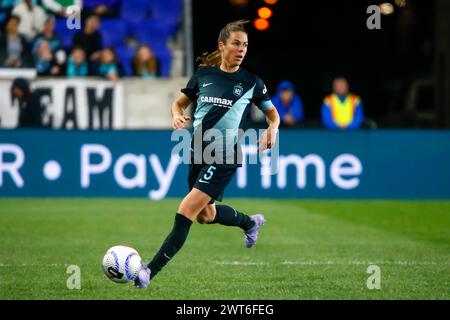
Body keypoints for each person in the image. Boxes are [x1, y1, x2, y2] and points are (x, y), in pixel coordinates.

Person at [133, 20, 280, 288]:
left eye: (245, 45)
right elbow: (178, 104)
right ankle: (249, 223)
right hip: (198, 150)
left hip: (225, 154)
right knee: (205, 216)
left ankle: (148, 272)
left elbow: (273, 115)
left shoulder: (251, 82)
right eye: (236, 43)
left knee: (186, 210)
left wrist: (273, 129)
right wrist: (177, 116)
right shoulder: (203, 75)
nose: (241, 49)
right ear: (222, 46)